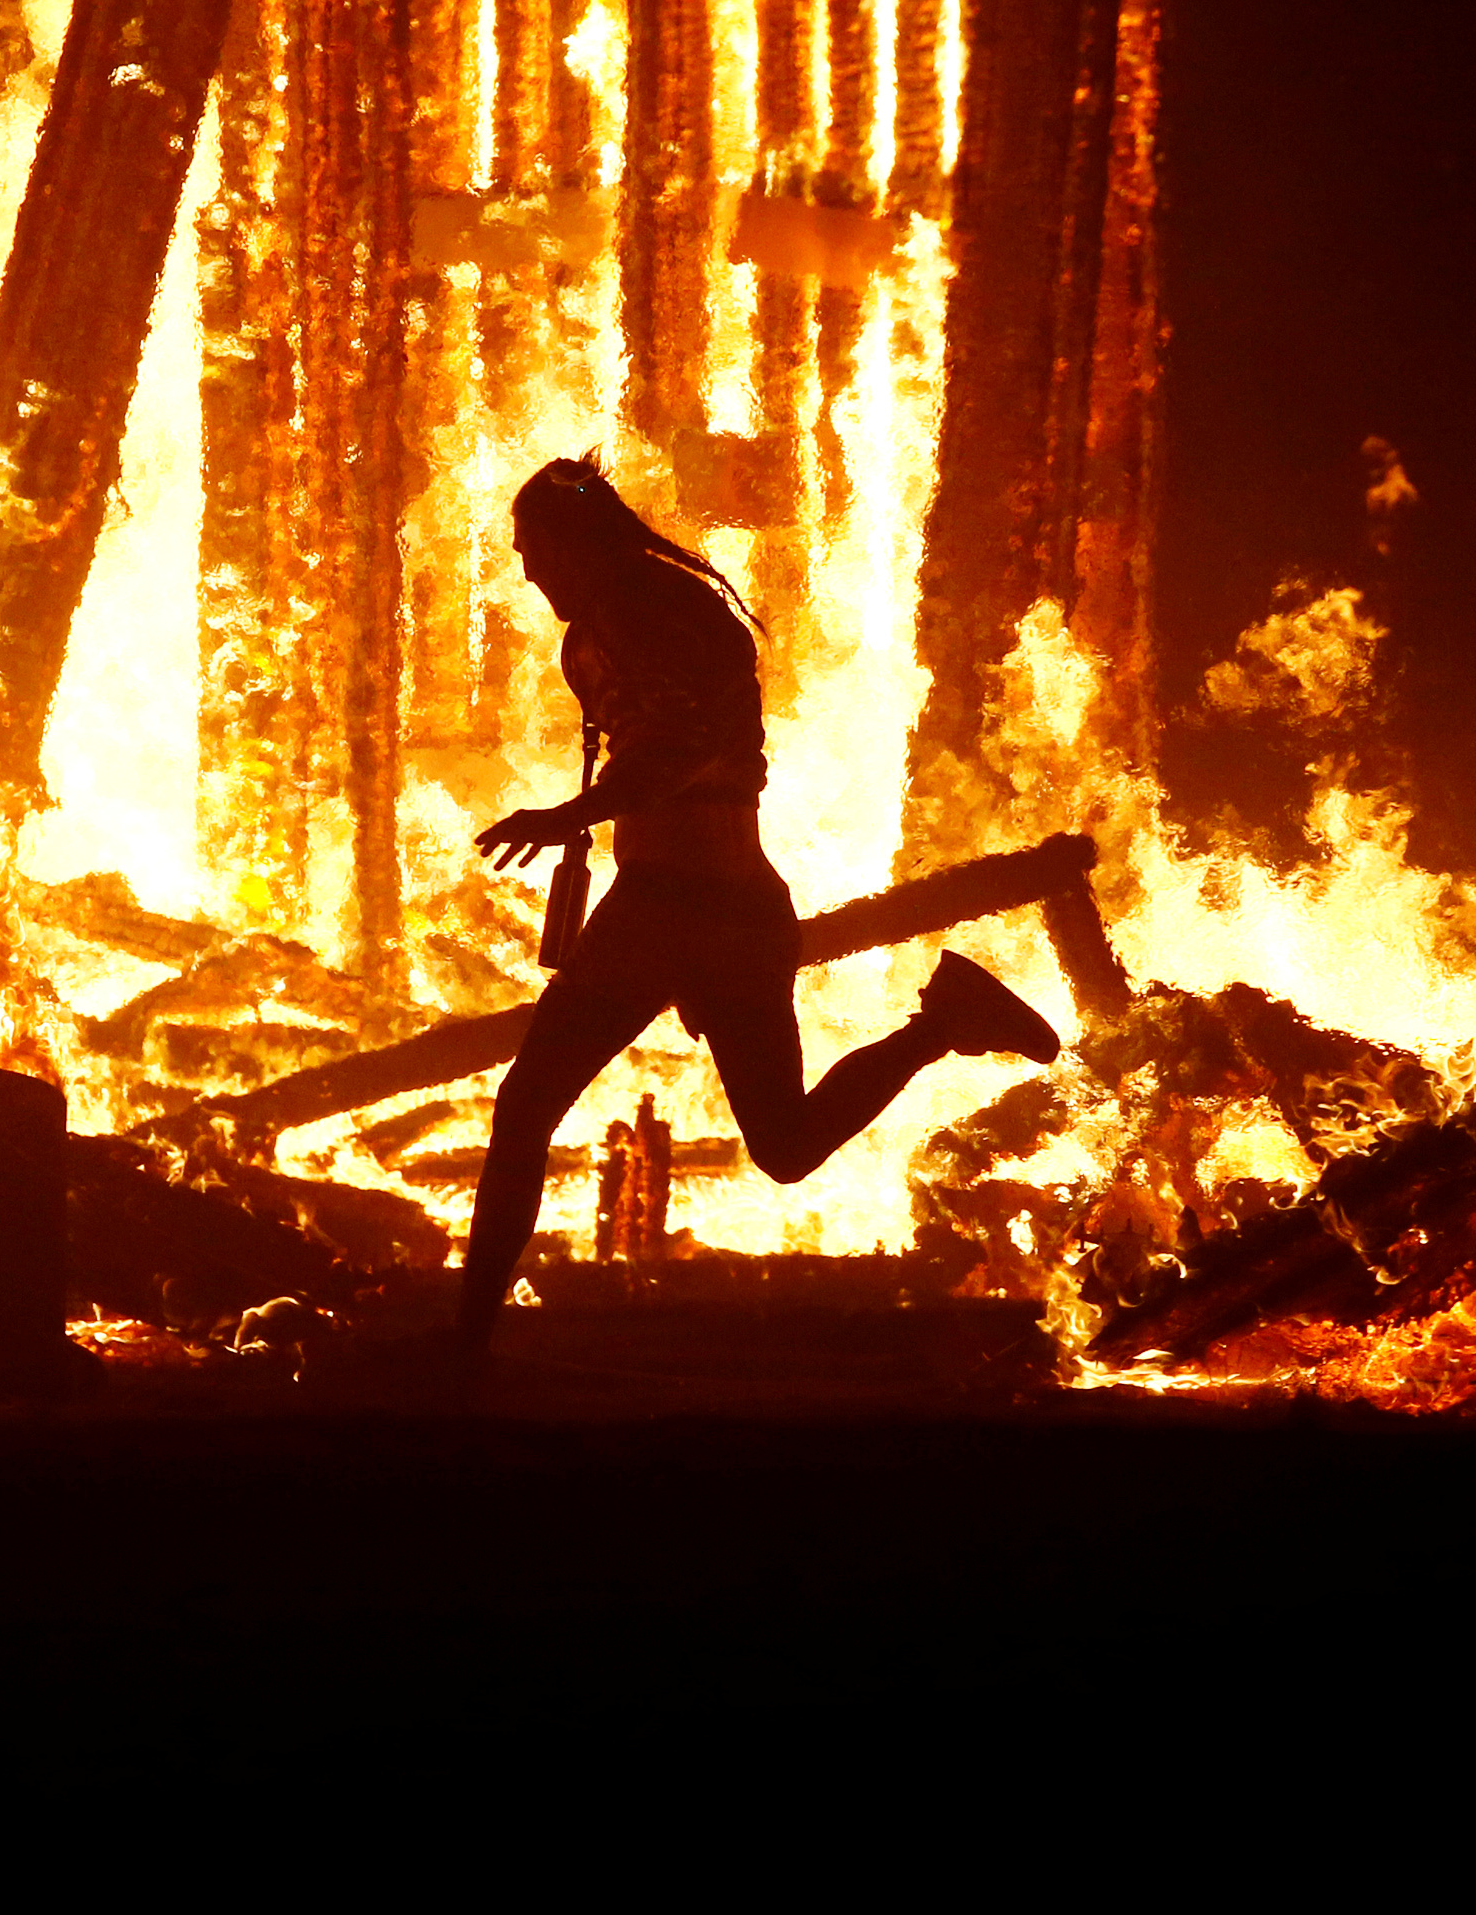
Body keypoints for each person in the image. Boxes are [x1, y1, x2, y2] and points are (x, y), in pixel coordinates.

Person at [456, 455, 1063, 1353]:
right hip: (733, 902)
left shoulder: (629, 609)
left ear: (572, 542)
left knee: (527, 1105)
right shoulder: (661, 604)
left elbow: (683, 746)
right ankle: (943, 1023)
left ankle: (466, 1343)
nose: (529, 571)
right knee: (782, 1144)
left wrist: (568, 814)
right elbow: (701, 741)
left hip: (668, 906)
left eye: (534, 549)